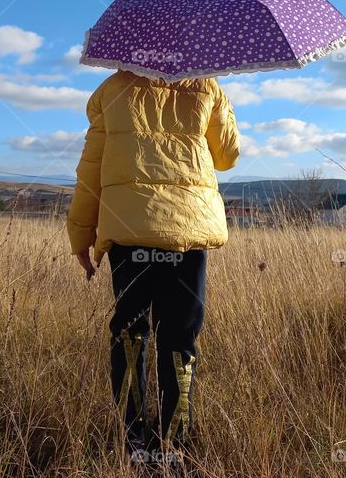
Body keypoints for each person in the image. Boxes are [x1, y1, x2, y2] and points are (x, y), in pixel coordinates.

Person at [66, 69, 240, 463]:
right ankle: (174, 446)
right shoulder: (206, 85)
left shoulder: (112, 90)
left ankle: (133, 443)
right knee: (180, 339)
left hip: (128, 235)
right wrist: (222, 105)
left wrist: (81, 235)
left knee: (129, 334)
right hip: (187, 233)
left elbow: (90, 169)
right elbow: (227, 157)